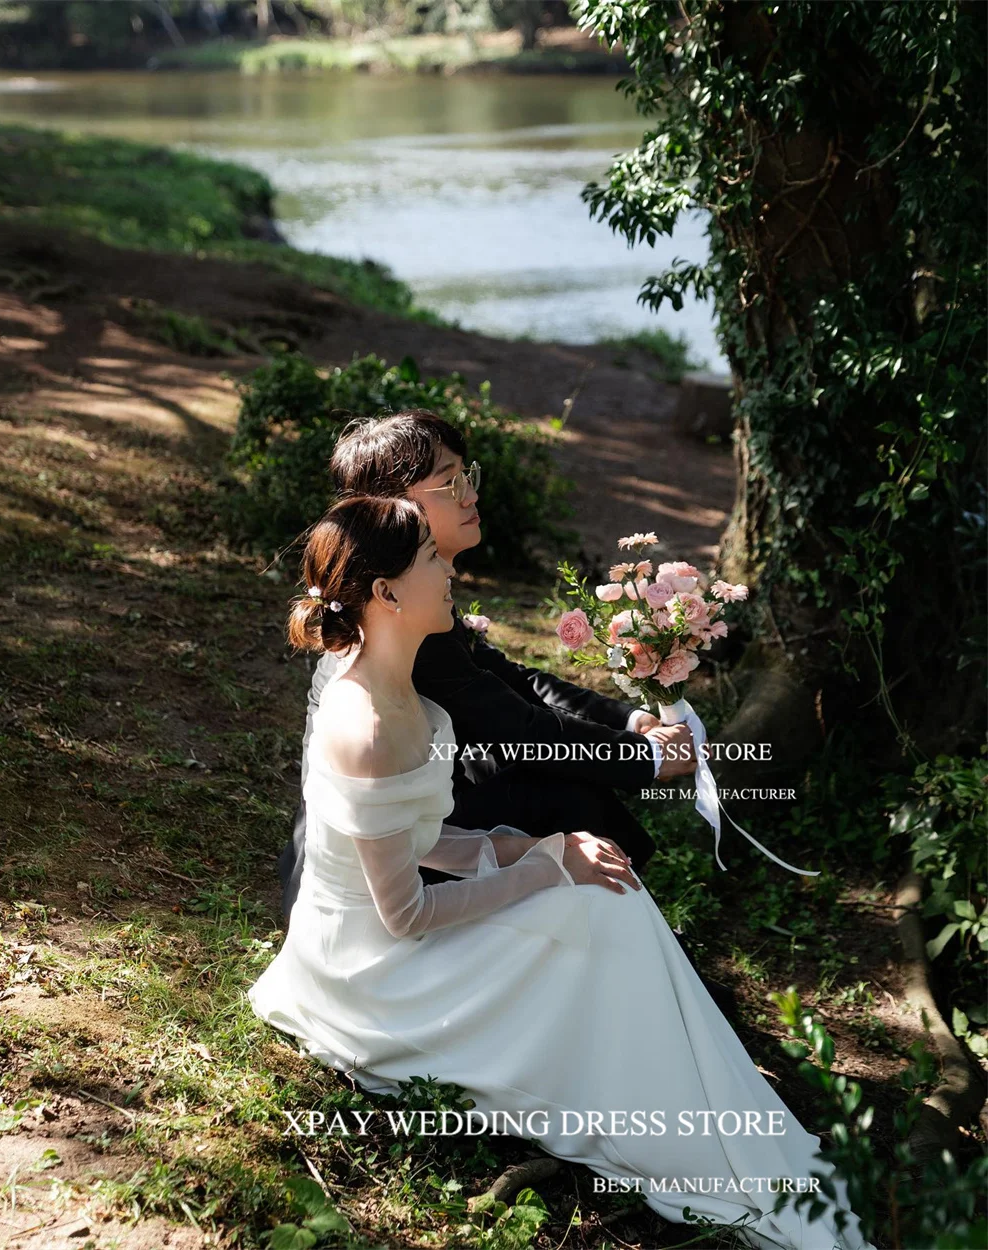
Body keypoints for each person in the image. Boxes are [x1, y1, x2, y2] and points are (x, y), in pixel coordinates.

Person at [248, 494, 875, 1250]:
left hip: (399, 929)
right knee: (594, 901)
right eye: (429, 560)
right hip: (372, 976)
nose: (449, 570)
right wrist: (546, 867)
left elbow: (426, 838)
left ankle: (719, 1118)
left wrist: (536, 848)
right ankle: (689, 1132)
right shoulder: (370, 727)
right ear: (384, 593)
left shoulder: (406, 686)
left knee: (608, 887)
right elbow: (405, 915)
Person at [276, 410, 698, 924]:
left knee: (562, 784)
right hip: (382, 872)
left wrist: (631, 722)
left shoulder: (408, 597)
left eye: (466, 477)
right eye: (450, 483)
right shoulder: (395, 628)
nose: (471, 494)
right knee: (563, 794)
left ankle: (621, 922)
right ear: (395, 506)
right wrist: (646, 760)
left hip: (423, 815)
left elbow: (506, 678)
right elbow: (515, 727)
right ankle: (615, 922)